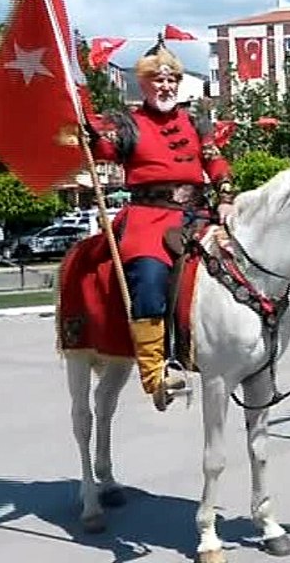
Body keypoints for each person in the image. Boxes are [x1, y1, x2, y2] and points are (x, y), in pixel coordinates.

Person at [85, 39, 234, 411]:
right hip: (148, 218)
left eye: (171, 81)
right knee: (150, 276)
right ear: (145, 84)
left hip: (198, 213)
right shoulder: (128, 125)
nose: (165, 87)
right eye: (158, 81)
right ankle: (155, 374)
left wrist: (227, 196)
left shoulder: (196, 123)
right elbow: (102, 148)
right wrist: (84, 126)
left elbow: (214, 161)